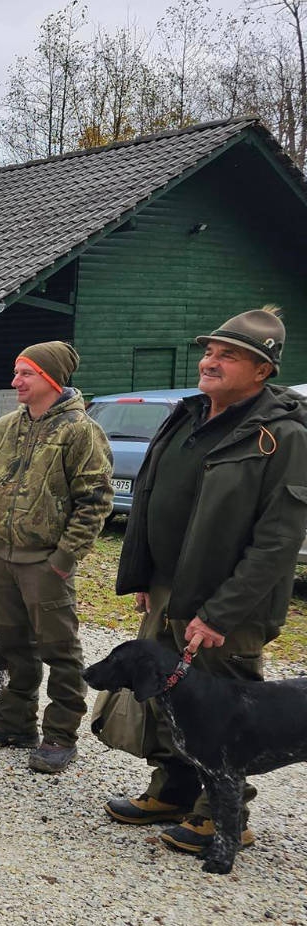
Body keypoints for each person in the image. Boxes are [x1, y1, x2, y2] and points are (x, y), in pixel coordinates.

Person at [109, 307, 307, 856]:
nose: (210, 362)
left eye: (229, 356)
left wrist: (219, 613)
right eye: (211, 352)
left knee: (221, 708)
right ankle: (172, 790)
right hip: (172, 585)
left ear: (262, 370)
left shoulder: (282, 435)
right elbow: (147, 495)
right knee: (167, 698)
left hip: (228, 605)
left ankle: (223, 817)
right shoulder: (187, 414)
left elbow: (277, 541)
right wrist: (144, 572)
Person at [0, 342, 112, 773]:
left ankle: (60, 735)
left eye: (25, 374)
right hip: (0, 556)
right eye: (16, 372)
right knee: (14, 644)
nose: (15, 382)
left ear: (51, 378)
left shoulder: (80, 430)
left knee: (59, 649)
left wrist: (65, 557)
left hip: (45, 561)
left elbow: (95, 500)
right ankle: (15, 721)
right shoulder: (4, 428)